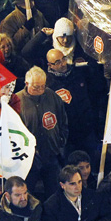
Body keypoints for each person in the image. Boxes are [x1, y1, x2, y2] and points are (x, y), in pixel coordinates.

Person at [17, 67, 68, 199]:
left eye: (43, 86)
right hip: (28, 158)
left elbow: (63, 120)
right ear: (27, 84)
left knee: (54, 194)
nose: (40, 90)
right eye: (36, 87)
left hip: (51, 153)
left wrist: (61, 141)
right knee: (27, 193)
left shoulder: (52, 96)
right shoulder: (17, 100)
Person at [40, 165, 111, 221]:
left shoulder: (93, 196)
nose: (78, 187)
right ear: (62, 185)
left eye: (79, 182)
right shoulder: (51, 205)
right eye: (72, 184)